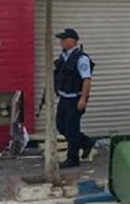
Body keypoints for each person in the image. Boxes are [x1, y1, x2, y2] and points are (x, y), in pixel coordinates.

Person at [52, 28, 95, 168]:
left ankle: (73, 159)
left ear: (72, 40)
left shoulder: (81, 58)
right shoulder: (64, 56)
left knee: (71, 129)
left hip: (75, 99)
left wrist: (83, 99)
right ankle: (86, 142)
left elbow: (86, 80)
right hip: (64, 98)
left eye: (63, 39)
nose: (61, 42)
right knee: (61, 127)